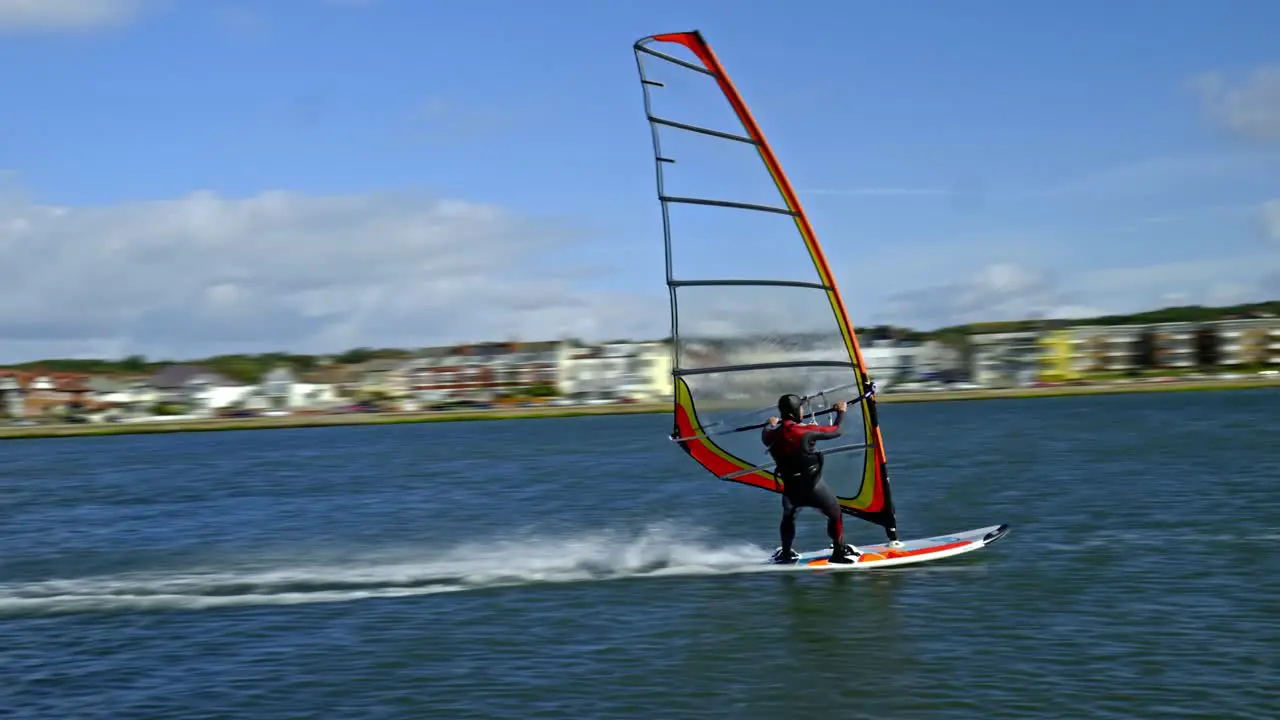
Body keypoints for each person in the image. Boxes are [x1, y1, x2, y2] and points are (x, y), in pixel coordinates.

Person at [761, 393, 860, 564]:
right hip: (813, 487)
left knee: (789, 515)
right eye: (800, 408)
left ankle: (786, 554)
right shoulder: (805, 432)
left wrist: (769, 424)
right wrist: (841, 412)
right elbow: (837, 431)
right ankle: (838, 552)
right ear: (794, 412)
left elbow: (766, 431)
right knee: (835, 512)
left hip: (791, 488)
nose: (802, 410)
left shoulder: (770, 436)